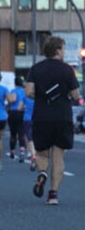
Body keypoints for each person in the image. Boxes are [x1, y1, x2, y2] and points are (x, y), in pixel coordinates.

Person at [25, 35, 80, 205]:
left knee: (42, 152)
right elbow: (76, 95)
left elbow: (28, 92)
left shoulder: (35, 69)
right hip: (62, 116)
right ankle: (53, 194)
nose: (63, 52)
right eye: (63, 49)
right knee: (58, 156)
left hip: (41, 116)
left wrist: (41, 96)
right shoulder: (67, 70)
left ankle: (42, 172)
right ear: (58, 51)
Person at [6, 76, 27, 162]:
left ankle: (12, 152)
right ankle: (22, 151)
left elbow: (12, 99)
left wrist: (8, 105)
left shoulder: (14, 91)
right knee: (21, 132)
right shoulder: (25, 92)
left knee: (13, 133)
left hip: (14, 112)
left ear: (15, 83)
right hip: (23, 112)